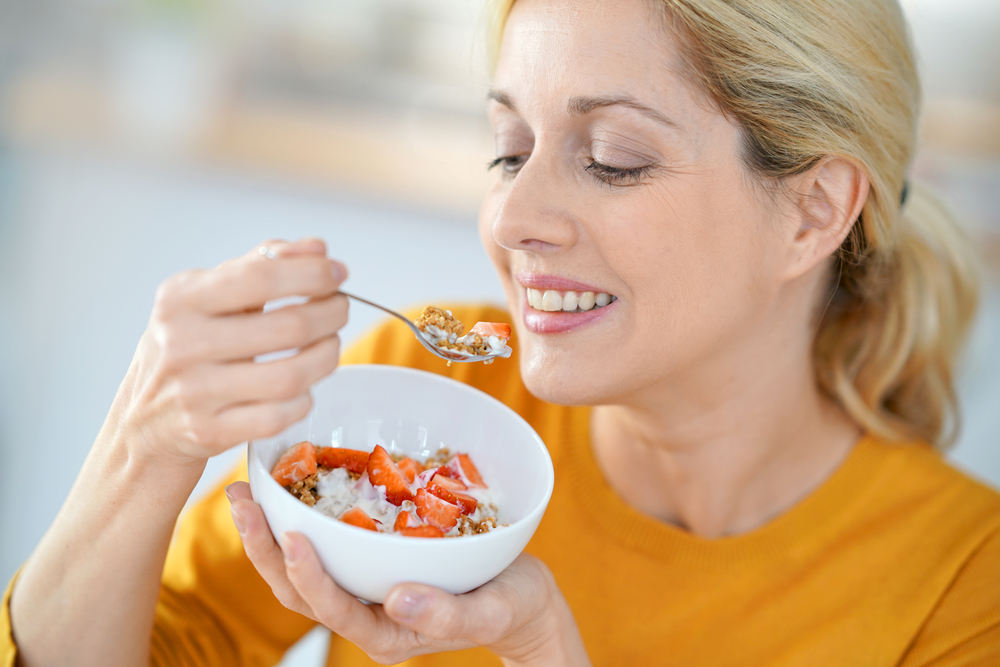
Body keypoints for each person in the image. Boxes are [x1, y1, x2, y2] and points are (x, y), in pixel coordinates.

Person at [4, 0, 998, 664]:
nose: (514, 218)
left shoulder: (958, 588)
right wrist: (142, 447)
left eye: (611, 158)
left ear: (814, 212)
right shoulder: (418, 406)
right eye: (509, 147)